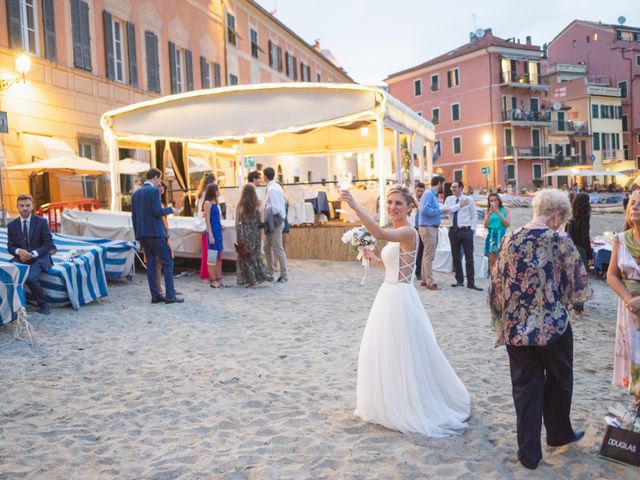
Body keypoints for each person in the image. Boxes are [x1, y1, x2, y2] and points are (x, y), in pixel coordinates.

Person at [340, 184, 470, 437]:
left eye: (398, 203)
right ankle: (388, 400)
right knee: (383, 349)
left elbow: (377, 231)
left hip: (399, 298)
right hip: (387, 294)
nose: (392, 207)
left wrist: (355, 206)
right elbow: (391, 267)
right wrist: (372, 258)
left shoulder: (408, 231)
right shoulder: (400, 232)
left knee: (402, 351)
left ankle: (406, 404)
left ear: (410, 207)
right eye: (389, 203)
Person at [489, 189, 591, 470]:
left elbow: (496, 282)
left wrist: (502, 316)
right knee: (560, 380)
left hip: (516, 327)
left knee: (525, 388)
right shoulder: (559, 239)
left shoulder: (511, 237)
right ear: (556, 215)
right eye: (561, 218)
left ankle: (529, 454)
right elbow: (578, 285)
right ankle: (558, 434)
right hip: (551, 327)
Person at [607, 190, 640, 412]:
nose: (635, 207)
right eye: (632, 203)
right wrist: (629, 299)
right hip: (629, 310)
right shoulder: (620, 239)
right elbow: (611, 275)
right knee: (635, 357)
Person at [131, 168, 183, 304]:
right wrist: (171, 210)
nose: (160, 182)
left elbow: (134, 216)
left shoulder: (135, 194)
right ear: (155, 177)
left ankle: (155, 295)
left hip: (142, 234)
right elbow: (157, 211)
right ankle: (170, 295)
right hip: (155, 233)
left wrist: (138, 235)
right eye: (159, 179)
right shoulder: (153, 191)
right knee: (168, 261)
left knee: (151, 264)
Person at [7, 193, 56, 315]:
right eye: (22, 205)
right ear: (17, 207)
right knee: (8, 274)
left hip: (39, 258)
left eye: (27, 205)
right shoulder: (12, 225)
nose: (25, 208)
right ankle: (11, 307)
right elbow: (10, 247)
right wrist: (19, 251)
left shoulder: (41, 222)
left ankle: (44, 306)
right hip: (20, 258)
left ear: (32, 206)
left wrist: (32, 254)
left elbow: (49, 245)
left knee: (30, 278)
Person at [418, 175, 466, 290]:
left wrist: (441, 212)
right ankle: (430, 282)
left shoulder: (432, 195)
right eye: (443, 184)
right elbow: (424, 210)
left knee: (427, 255)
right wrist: (440, 211)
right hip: (428, 228)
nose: (444, 187)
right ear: (439, 183)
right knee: (429, 256)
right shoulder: (429, 194)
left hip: (429, 227)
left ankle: (425, 279)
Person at [444, 180, 481, 290]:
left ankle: (471, 282)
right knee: (456, 257)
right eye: (451, 187)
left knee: (469, 258)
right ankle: (459, 280)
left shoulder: (469, 200)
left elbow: (474, 215)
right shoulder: (449, 199)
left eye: (455, 187)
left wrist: (472, 230)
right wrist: (459, 205)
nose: (453, 189)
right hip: (453, 230)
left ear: (461, 188)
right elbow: (446, 212)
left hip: (466, 231)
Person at [235, 184, 267, 288]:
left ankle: (252, 281)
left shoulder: (239, 206)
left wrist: (238, 236)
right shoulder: (259, 205)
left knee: (246, 257)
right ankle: (258, 277)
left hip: (244, 235)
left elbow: (237, 224)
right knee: (255, 256)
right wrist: (261, 237)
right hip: (256, 234)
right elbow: (262, 224)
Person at [566, 192, 592, 315]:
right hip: (580, 249)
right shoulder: (585, 217)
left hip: (569, 248)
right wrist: (590, 255)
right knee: (581, 279)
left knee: (571, 277)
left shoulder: (571, 217)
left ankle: (570, 304)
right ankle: (577, 308)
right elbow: (585, 238)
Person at [263, 167, 288, 283]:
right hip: (275, 221)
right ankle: (270, 272)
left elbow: (274, 208)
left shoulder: (272, 189)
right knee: (266, 247)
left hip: (274, 221)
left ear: (265, 177)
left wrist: (269, 221)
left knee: (278, 248)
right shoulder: (277, 186)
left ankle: (284, 274)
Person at [195, 174, 216, 282]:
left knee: (208, 251)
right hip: (207, 226)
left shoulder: (202, 195)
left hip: (206, 225)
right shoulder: (206, 196)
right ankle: (205, 275)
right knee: (207, 251)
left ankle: (208, 274)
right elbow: (205, 213)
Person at [204, 183, 225, 288]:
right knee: (212, 256)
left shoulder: (215, 203)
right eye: (218, 190)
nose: (219, 192)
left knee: (219, 256)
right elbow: (207, 220)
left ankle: (219, 278)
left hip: (218, 231)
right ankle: (212, 280)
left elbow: (216, 218)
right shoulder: (207, 203)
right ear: (213, 191)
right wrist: (210, 235)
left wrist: (221, 226)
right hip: (212, 232)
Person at [484, 193, 510, 273]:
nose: (493, 202)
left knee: (502, 260)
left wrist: (498, 213)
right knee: (492, 261)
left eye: (495, 200)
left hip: (501, 236)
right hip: (492, 236)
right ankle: (493, 281)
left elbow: (507, 224)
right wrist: (489, 215)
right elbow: (485, 225)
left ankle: (500, 279)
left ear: (498, 200)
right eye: (491, 200)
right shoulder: (488, 210)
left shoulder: (505, 209)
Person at [410, 182, 426, 280]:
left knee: (420, 251)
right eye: (418, 190)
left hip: (421, 228)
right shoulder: (409, 200)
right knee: (411, 251)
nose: (419, 193)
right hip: (411, 227)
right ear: (415, 190)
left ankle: (418, 272)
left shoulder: (424, 201)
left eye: (421, 191)